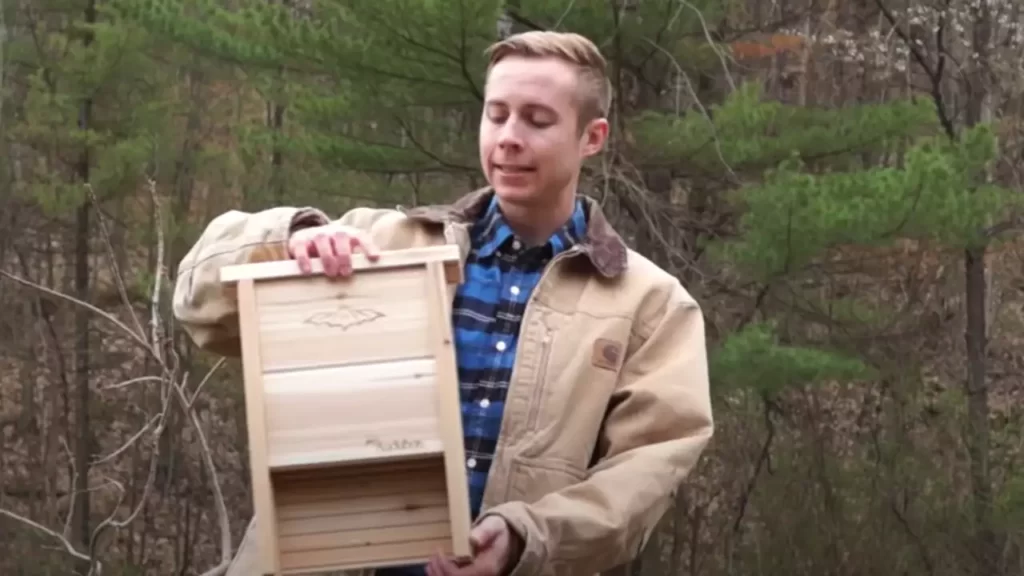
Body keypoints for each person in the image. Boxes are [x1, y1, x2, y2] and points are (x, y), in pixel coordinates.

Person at [172, 30, 713, 576]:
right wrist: (289, 239)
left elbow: (644, 474)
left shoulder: (650, 305)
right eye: (496, 114)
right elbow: (196, 301)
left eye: (537, 120)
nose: (508, 137)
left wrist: (527, 536)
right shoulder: (382, 245)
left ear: (591, 137)